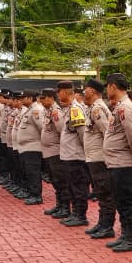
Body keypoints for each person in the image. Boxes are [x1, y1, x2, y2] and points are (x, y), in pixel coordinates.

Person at [103, 73, 132, 252]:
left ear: (113, 87)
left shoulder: (125, 108)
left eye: (107, 86)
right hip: (116, 163)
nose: (106, 89)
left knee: (127, 202)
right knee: (120, 201)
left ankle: (131, 238)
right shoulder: (119, 107)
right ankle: (125, 235)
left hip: (124, 164)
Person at [83, 79, 118, 239]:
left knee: (105, 192)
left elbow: (107, 133)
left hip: (100, 158)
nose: (84, 91)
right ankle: (102, 223)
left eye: (86, 89)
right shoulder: (93, 107)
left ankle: (107, 226)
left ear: (93, 91)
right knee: (101, 192)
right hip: (94, 157)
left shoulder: (98, 108)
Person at [57, 82, 91, 226]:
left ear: (65, 92)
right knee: (72, 186)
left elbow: (82, 133)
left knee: (78, 186)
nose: (58, 95)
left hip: (75, 155)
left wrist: (86, 152)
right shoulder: (69, 108)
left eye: (59, 92)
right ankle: (75, 213)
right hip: (69, 155)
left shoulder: (75, 109)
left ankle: (81, 215)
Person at [40, 88, 70, 218]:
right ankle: (59, 205)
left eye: (44, 98)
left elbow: (62, 130)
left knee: (60, 181)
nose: (41, 101)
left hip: (56, 151)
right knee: (55, 180)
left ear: (51, 98)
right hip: (49, 152)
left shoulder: (56, 112)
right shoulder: (49, 111)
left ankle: (65, 207)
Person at [14, 90, 47, 205]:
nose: (21, 99)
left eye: (23, 97)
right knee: (27, 171)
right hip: (26, 147)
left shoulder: (36, 110)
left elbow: (42, 128)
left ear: (30, 98)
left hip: (33, 147)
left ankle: (36, 195)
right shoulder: (29, 110)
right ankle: (31, 192)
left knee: (33, 172)